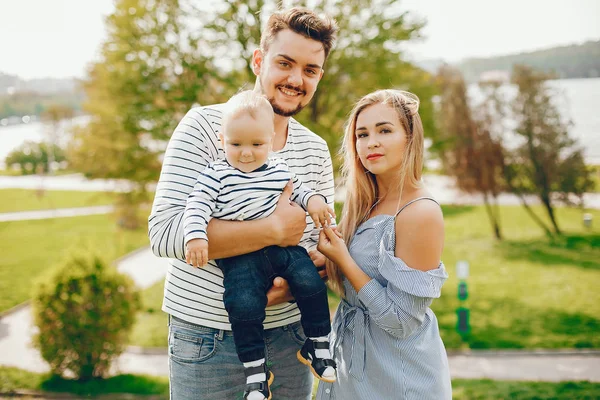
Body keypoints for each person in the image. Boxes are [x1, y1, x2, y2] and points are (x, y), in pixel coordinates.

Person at [148, 7, 338, 400]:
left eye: (310, 70)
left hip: (291, 338)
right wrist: (271, 230)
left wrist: (291, 284)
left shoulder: (315, 149)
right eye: (284, 63)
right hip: (208, 339)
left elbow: (322, 245)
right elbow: (165, 235)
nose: (295, 79)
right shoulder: (204, 129)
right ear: (258, 60)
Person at [183, 90, 337, 400]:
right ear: (221, 138)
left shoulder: (280, 169)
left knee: (309, 281)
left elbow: (302, 192)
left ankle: (318, 344)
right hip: (241, 257)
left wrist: (316, 201)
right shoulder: (216, 174)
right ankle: (255, 372)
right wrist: (195, 236)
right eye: (235, 144)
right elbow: (196, 206)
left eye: (257, 144)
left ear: (270, 139)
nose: (246, 153)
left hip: (284, 251)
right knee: (242, 304)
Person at [315, 89, 452, 399]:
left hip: (398, 376)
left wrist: (345, 261)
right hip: (354, 367)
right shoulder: (364, 204)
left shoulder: (420, 212)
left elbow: (401, 321)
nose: (371, 142)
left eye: (384, 130)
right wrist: (328, 261)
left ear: (410, 138)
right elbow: (357, 283)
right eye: (362, 134)